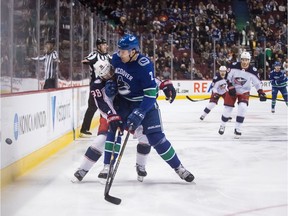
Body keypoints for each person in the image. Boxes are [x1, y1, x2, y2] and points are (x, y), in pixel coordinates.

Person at [101, 34, 194, 182]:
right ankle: (107, 166)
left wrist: (141, 111)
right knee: (114, 127)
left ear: (133, 52)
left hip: (145, 103)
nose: (120, 54)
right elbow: (108, 76)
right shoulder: (116, 59)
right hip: (124, 102)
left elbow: (151, 94)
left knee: (156, 138)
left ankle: (179, 168)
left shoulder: (144, 65)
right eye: (120, 50)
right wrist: (109, 84)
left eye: (124, 51)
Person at [73, 59, 177, 182]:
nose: (110, 75)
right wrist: (111, 116)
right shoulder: (97, 84)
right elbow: (102, 105)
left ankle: (140, 166)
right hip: (109, 114)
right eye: (105, 75)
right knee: (102, 140)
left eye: (110, 71)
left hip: (129, 109)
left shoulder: (120, 71)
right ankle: (86, 169)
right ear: (100, 76)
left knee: (145, 137)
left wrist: (163, 84)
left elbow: (145, 78)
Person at [218, 51, 267, 138]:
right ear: (240, 60)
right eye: (243, 60)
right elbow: (226, 77)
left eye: (246, 60)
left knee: (243, 108)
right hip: (232, 89)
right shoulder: (233, 66)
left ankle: (238, 128)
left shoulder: (253, 71)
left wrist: (261, 92)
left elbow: (257, 83)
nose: (244, 62)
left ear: (249, 61)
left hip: (244, 91)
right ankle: (222, 125)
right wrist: (230, 86)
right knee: (228, 108)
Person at [80, 38, 111, 137]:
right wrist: (91, 63)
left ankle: (105, 128)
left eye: (106, 44)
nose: (105, 46)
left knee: (107, 106)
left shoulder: (108, 56)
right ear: (98, 46)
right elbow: (85, 60)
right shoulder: (94, 54)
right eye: (103, 44)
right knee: (92, 106)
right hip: (96, 85)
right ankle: (84, 129)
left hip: (106, 84)